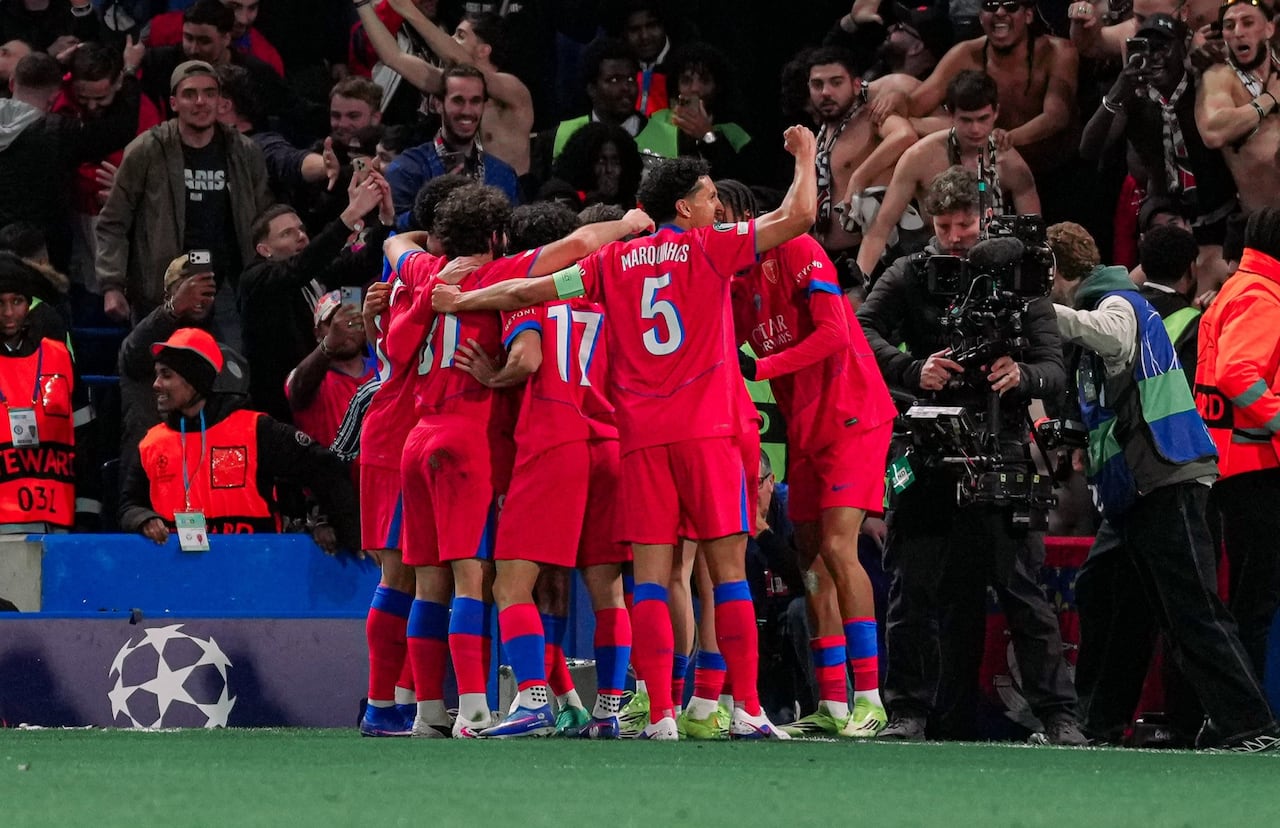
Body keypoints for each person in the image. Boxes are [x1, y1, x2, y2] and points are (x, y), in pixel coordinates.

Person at [431, 125, 819, 740]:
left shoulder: (609, 262)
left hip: (641, 439)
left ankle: (659, 714)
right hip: (705, 431)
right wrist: (804, 157)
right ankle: (745, 708)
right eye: (710, 197)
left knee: (650, 582)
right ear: (684, 208)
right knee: (726, 575)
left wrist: (460, 302)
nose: (718, 207)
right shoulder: (708, 246)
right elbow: (799, 215)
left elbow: (530, 290)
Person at [385, 184, 654, 738]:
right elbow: (581, 244)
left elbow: (394, 247)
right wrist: (630, 223)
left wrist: (419, 239)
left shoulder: (436, 276)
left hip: (447, 437)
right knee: (602, 587)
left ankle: (442, 710)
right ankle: (608, 705)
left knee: (450, 583)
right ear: (497, 237)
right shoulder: (581, 290)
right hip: (597, 443)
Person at [856, 166, 1085, 745]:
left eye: (964, 224)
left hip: (1000, 445)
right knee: (913, 590)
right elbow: (859, 330)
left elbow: (1055, 369)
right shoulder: (909, 272)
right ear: (930, 223)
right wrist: (913, 368)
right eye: (944, 224)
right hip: (927, 445)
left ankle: (1059, 717)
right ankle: (907, 711)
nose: (955, 235)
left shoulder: (1020, 280)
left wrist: (1023, 373)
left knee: (1025, 594)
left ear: (984, 219)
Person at [1048, 220, 1280, 753]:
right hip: (1138, 482)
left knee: (1193, 609)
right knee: (1115, 600)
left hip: (1165, 474)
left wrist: (1041, 313)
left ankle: (1253, 725)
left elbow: (1108, 334)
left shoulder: (1117, 303)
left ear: (1057, 274)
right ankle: (1097, 722)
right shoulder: (1120, 298)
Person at [719, 179, 898, 738]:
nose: (716, 227)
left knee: (841, 546)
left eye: (724, 216)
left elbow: (835, 333)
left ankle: (871, 699)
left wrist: (763, 370)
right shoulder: (736, 279)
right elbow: (722, 335)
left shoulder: (796, 248)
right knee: (811, 560)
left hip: (853, 416)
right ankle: (833, 704)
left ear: (749, 214)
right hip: (806, 428)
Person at [349, 172, 472, 739]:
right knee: (401, 573)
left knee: (424, 575)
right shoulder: (423, 277)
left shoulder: (409, 272)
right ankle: (382, 704)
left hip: (408, 430)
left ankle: (402, 700)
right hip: (399, 431)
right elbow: (396, 347)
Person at [120, 327, 359, 553]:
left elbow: (324, 468)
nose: (156, 385)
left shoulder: (255, 429)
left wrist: (329, 521)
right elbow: (128, 506)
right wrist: (144, 519)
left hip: (254, 567)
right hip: (181, 570)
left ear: (195, 379)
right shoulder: (152, 443)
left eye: (166, 375)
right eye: (156, 375)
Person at [95, 59, 273, 339]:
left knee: (231, 375)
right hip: (159, 290)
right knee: (159, 375)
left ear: (221, 102)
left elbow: (264, 221)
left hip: (227, 287)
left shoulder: (244, 152)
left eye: (209, 93)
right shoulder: (147, 150)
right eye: (190, 94)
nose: (200, 102)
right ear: (174, 103)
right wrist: (111, 285)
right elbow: (113, 222)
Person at [1082, 14, 1236, 295]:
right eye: (1145, 48)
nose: (1153, 57)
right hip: (1166, 225)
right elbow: (1090, 149)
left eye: (1162, 47)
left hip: (1219, 217)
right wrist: (1120, 87)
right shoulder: (1134, 97)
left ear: (1182, 47)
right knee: (1125, 296)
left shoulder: (1203, 84)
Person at [1196, 206, 1280, 686]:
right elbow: (1236, 373)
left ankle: (1233, 715)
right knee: (1255, 602)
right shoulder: (1264, 296)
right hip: (1257, 469)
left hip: (1232, 465)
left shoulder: (1239, 287)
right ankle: (1242, 718)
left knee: (1246, 599)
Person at [856, 70, 1040, 278]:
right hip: (932, 267)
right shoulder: (920, 157)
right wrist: (858, 286)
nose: (976, 129)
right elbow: (881, 227)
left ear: (996, 112)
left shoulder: (1011, 164)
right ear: (950, 114)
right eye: (966, 120)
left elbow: (1033, 236)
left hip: (994, 270)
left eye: (983, 119)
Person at [238, 173, 391, 424]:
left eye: (301, 229)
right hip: (280, 412)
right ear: (264, 250)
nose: (300, 236)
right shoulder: (256, 280)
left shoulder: (316, 271)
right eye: (287, 233)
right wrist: (349, 216)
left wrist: (384, 219)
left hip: (325, 395)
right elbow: (298, 269)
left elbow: (362, 264)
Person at [891, 0, 1079, 177]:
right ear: (981, 17)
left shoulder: (1058, 52)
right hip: (994, 171)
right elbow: (916, 106)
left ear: (1028, 15)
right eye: (990, 5)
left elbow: (1056, 117)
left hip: (1058, 170)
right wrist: (897, 99)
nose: (999, 12)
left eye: (1010, 6)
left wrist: (1009, 138)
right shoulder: (965, 54)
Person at [352, 0, 533, 176]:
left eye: (460, 36)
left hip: (512, 199)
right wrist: (362, 4)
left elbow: (462, 62)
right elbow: (393, 57)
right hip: (465, 197)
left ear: (483, 50)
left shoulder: (512, 90)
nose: (451, 40)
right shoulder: (451, 85)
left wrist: (408, 9)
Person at [52, 41, 163, 297]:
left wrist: (128, 188)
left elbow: (157, 167)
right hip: (73, 215)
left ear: (118, 84)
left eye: (101, 98)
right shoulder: (60, 98)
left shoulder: (143, 111)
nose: (91, 106)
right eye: (84, 98)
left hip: (125, 219)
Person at [0, 252, 98, 533]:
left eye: (16, 301)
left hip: (56, 523)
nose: (8, 313)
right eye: (0, 303)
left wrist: (87, 510)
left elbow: (85, 439)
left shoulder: (58, 356)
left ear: (28, 303)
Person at [117, 252, 250, 456]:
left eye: (205, 290)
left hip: (208, 461)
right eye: (186, 288)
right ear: (168, 296)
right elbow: (131, 356)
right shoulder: (149, 338)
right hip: (153, 460)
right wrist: (175, 308)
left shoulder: (221, 349)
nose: (196, 296)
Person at [806, 47, 917, 277]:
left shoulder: (871, 115)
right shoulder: (823, 132)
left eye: (836, 82)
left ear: (856, 86)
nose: (825, 92)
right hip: (824, 255)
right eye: (817, 85)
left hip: (868, 255)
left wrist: (860, 176)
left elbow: (904, 135)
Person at [384, 64, 520, 228]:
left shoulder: (502, 173)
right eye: (458, 101)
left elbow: (514, 234)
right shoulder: (407, 169)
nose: (467, 111)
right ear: (438, 104)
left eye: (475, 101)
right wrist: (434, 203)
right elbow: (393, 230)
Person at [135, 0, 289, 124]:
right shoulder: (158, 52)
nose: (194, 49)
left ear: (226, 38)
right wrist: (130, 69)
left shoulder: (262, 65)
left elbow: (293, 111)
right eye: (188, 38)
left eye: (204, 41)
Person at [1195, 0, 1280, 215]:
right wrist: (1269, 99)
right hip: (1263, 224)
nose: (1238, 32)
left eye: (1248, 22)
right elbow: (1213, 131)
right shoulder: (1220, 77)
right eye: (1230, 26)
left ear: (1269, 28)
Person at [634, 42, 752, 179]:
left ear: (718, 87)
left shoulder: (733, 133)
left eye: (705, 80)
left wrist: (708, 136)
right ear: (675, 86)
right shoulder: (654, 123)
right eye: (686, 81)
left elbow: (740, 180)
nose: (695, 88)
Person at [286, 290, 375, 448]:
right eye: (333, 323)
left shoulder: (385, 368)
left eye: (352, 319)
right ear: (317, 333)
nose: (343, 329)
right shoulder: (310, 378)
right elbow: (297, 390)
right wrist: (330, 343)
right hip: (335, 470)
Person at [144, 0, 286, 76]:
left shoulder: (268, 59)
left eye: (252, 8)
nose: (243, 19)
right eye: (234, 6)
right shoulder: (161, 30)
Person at [550, 122, 643, 209]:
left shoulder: (633, 206)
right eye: (601, 161)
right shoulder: (562, 201)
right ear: (583, 164)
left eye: (616, 162)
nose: (609, 169)